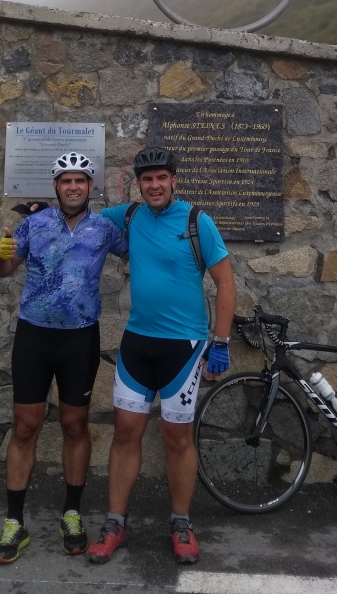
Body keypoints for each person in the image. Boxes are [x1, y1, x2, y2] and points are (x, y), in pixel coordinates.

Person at [88, 146, 236, 566]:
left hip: (183, 348)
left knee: (177, 438)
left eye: (161, 178)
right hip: (137, 342)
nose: (154, 185)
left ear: (174, 180)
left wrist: (221, 341)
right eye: (147, 179)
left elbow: (225, 283)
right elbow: (83, 218)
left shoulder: (196, 221)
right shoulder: (130, 215)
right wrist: (41, 215)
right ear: (139, 184)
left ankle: (181, 522)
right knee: (125, 432)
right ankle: (115, 522)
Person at [0, 152, 127, 565]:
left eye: (80, 181)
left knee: (74, 424)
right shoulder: (33, 224)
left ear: (90, 187)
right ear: (56, 187)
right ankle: (14, 522)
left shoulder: (105, 229)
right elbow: (3, 270)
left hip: (80, 339)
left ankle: (71, 514)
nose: (73, 187)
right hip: (34, 336)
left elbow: (141, 254)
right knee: (25, 425)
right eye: (66, 181)